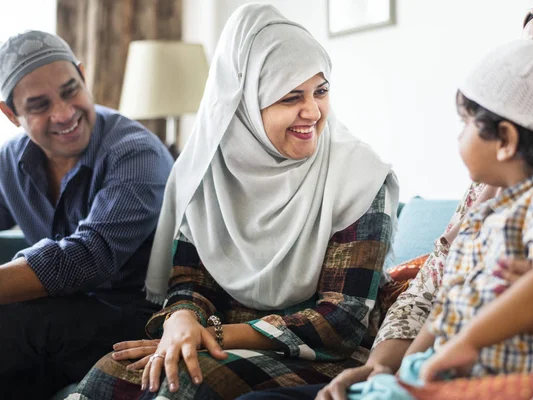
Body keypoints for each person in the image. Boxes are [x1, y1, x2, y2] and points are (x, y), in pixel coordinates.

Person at [68, 3, 399, 400]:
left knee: (183, 382)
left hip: (319, 356)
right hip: (217, 342)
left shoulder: (358, 176)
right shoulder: (207, 174)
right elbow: (191, 283)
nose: (312, 111)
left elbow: (342, 322)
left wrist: (210, 334)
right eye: (291, 96)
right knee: (112, 374)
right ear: (244, 104)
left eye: (321, 91)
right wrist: (181, 321)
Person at [314, 1, 533, 400]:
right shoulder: (492, 193)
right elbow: (440, 293)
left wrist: (454, 350)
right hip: (443, 365)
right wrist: (386, 373)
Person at [0, 30, 173, 398]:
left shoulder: (135, 153)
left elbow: (87, 256)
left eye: (69, 91)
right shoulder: (10, 162)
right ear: (10, 113)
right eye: (39, 105)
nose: (63, 114)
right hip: (67, 320)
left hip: (143, 322)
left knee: (18, 319)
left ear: (83, 74)